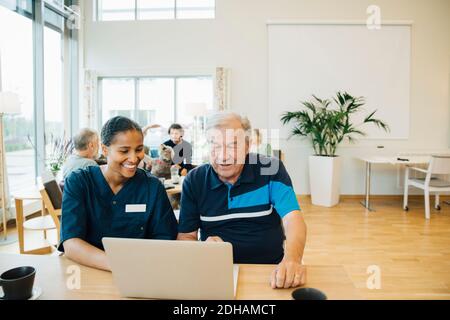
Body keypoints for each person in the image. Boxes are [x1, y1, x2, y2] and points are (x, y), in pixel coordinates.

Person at [177, 112, 307, 289]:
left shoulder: (271, 170)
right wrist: (200, 250)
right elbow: (186, 237)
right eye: (215, 146)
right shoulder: (195, 180)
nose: (223, 157)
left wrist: (292, 259)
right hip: (215, 272)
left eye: (232, 147)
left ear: (247, 146)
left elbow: (293, 219)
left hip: (269, 271)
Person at [58, 116, 178, 271]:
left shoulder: (152, 187)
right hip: (91, 271)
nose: (134, 158)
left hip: (142, 271)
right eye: (124, 151)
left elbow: (166, 239)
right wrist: (121, 265)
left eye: (139, 149)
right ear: (104, 149)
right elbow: (71, 243)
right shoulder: (79, 182)